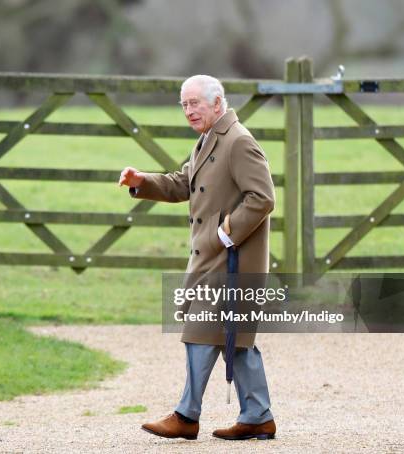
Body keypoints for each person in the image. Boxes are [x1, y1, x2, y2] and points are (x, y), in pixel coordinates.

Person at [118, 75, 276, 441]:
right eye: (184, 104)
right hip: (214, 259)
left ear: (217, 103)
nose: (188, 111)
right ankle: (257, 415)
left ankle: (186, 415)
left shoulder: (238, 142)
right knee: (234, 339)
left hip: (232, 260)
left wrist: (225, 233)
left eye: (195, 104)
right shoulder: (209, 140)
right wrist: (141, 180)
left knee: (200, 331)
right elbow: (182, 184)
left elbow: (263, 197)